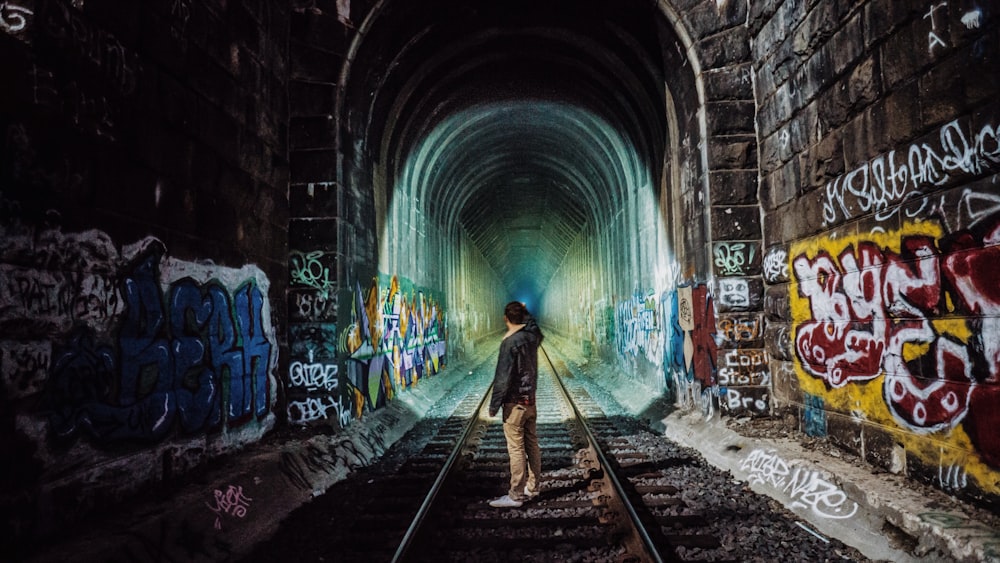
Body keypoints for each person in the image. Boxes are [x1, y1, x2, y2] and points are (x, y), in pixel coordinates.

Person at [487, 301, 544, 508]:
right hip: (530, 401)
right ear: (522, 317)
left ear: (505, 318)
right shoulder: (531, 338)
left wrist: (494, 405)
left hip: (514, 404)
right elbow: (537, 329)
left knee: (516, 448)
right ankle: (533, 486)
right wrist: (527, 313)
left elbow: (502, 378)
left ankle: (516, 495)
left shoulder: (510, 342)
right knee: (532, 444)